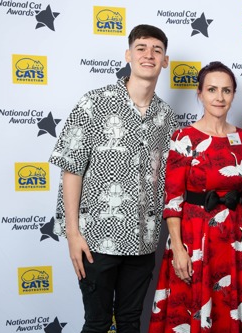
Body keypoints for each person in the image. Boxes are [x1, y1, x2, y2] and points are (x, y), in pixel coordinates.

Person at [49, 24, 178, 333]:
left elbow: (170, 180)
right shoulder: (93, 103)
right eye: (141, 48)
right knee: (97, 324)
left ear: (165, 60)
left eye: (156, 50)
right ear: (128, 55)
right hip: (95, 241)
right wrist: (73, 235)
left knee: (131, 323)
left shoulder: (167, 117)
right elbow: (71, 168)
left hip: (143, 242)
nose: (149, 55)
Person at [149, 61, 242, 333]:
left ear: (234, 94)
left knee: (228, 311)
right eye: (211, 90)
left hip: (233, 235)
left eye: (226, 90)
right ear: (199, 94)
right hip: (194, 236)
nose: (219, 97)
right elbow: (173, 199)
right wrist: (177, 247)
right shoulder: (184, 136)